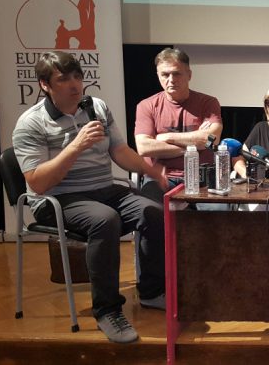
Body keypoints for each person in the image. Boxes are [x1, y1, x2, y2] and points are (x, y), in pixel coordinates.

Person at [12, 51, 169, 344]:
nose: (74, 84)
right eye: (63, 79)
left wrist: (152, 171)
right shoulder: (31, 123)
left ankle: (151, 292)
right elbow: (38, 182)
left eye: (77, 77)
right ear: (45, 84)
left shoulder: (96, 107)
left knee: (153, 211)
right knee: (104, 220)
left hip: (104, 189)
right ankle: (107, 311)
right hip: (57, 198)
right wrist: (76, 146)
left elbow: (119, 150)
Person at [134, 48, 222, 199]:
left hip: (202, 177)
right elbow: (144, 147)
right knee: (148, 209)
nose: (171, 80)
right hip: (161, 177)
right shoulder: (146, 106)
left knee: (217, 212)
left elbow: (211, 140)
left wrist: (165, 137)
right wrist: (195, 145)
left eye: (176, 73)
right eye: (165, 75)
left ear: (189, 75)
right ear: (158, 75)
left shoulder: (208, 102)